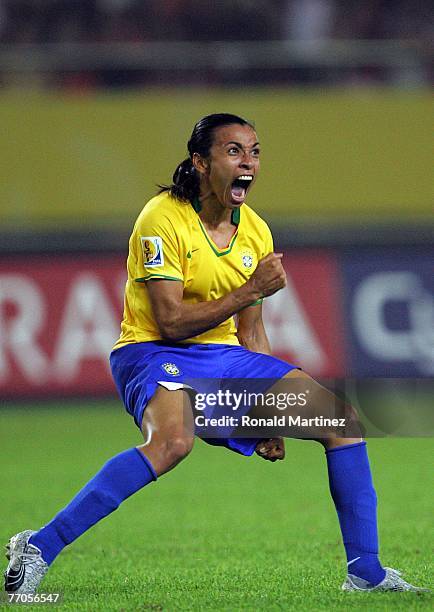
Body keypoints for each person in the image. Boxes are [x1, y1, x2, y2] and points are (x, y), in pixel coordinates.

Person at [4, 113, 426, 595]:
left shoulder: (257, 233)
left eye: (255, 152)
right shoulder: (161, 218)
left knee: (342, 423)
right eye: (233, 151)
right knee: (172, 443)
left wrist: (267, 417)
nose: (247, 162)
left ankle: (366, 573)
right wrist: (250, 288)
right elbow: (170, 321)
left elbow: (252, 330)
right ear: (201, 163)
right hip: (152, 351)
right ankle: (38, 546)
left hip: (224, 359)